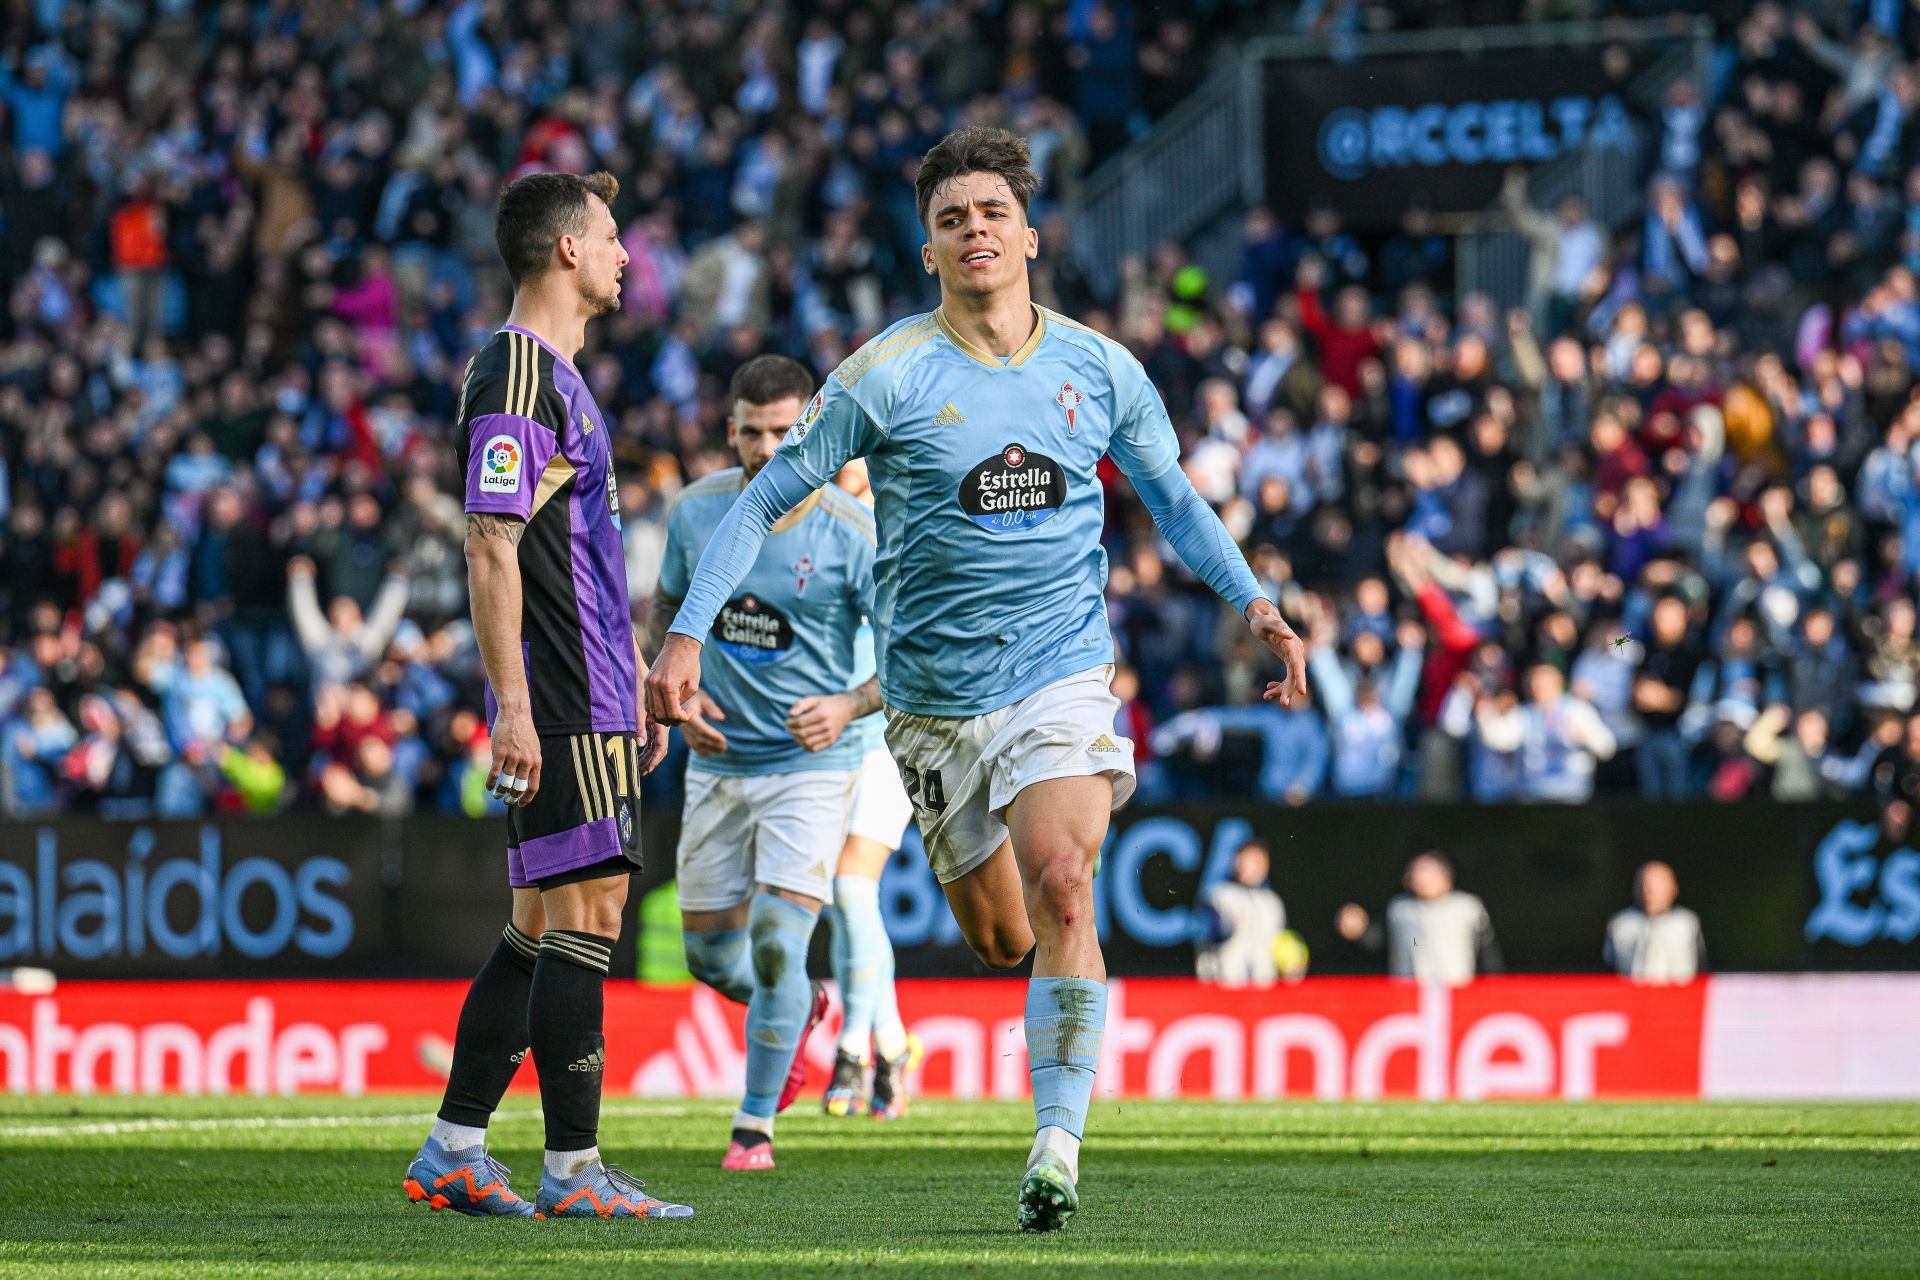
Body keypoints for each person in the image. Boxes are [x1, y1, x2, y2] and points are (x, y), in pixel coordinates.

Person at [646, 126, 1308, 1232]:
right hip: (932, 702)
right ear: (929, 248)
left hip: (1060, 669)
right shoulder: (884, 373)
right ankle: (1001, 1048)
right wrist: (684, 637)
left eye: (993, 212)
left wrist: (1254, 600)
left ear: (1031, 234)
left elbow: (1178, 501)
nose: (975, 231)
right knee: (1003, 939)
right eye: (953, 218)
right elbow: (759, 500)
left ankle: (1056, 1144)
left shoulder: (1100, 370)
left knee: (1063, 882)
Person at [404, 172, 691, 1222]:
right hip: (562, 697)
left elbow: (578, 555)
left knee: (535, 923)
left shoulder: (552, 373)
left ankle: (455, 1146)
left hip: (595, 693)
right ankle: (573, 1170)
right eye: (613, 237)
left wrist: (636, 688)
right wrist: (515, 705)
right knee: (588, 913)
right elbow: (490, 539)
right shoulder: (518, 370)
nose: (626, 256)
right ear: (567, 249)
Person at [646, 354, 883, 1171]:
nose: (768, 449)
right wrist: (678, 699)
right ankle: (802, 1007)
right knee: (711, 958)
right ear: (729, 431)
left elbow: (909, 655)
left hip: (814, 766)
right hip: (717, 760)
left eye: (786, 432)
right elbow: (671, 609)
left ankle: (754, 1127)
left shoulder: (855, 532)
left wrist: (849, 704)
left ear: (812, 425)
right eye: (752, 433)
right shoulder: (695, 512)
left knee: (781, 938)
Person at [823, 457, 923, 1123]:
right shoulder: (820, 530)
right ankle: (891, 1049)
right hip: (828, 740)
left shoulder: (900, 524)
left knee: (852, 887)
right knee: (844, 899)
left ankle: (853, 1051)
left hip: (889, 732)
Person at [1337, 852, 1500, 986]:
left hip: (1458, 992)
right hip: (1409, 994)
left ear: (1445, 875)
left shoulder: (1467, 907)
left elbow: (1487, 952)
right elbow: (1379, 941)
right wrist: (1360, 930)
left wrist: (1494, 985)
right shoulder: (1400, 909)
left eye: (1425, 870)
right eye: (1415, 871)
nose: (1418, 876)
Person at [1197, 840, 1285, 986]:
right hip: (1227, 987)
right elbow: (1209, 935)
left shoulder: (1272, 902)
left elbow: (1280, 942)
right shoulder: (1218, 896)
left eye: (1261, 862)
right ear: (1237, 862)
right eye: (1251, 861)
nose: (1257, 867)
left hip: (1263, 988)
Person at [1604, 860, 1706, 983]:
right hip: (1631, 997)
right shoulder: (1620, 923)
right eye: (1644, 885)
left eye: (1658, 885)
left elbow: (1702, 967)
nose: (1649, 892)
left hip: (1679, 997)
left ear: (1673, 888)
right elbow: (1607, 967)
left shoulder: (1687, 923)